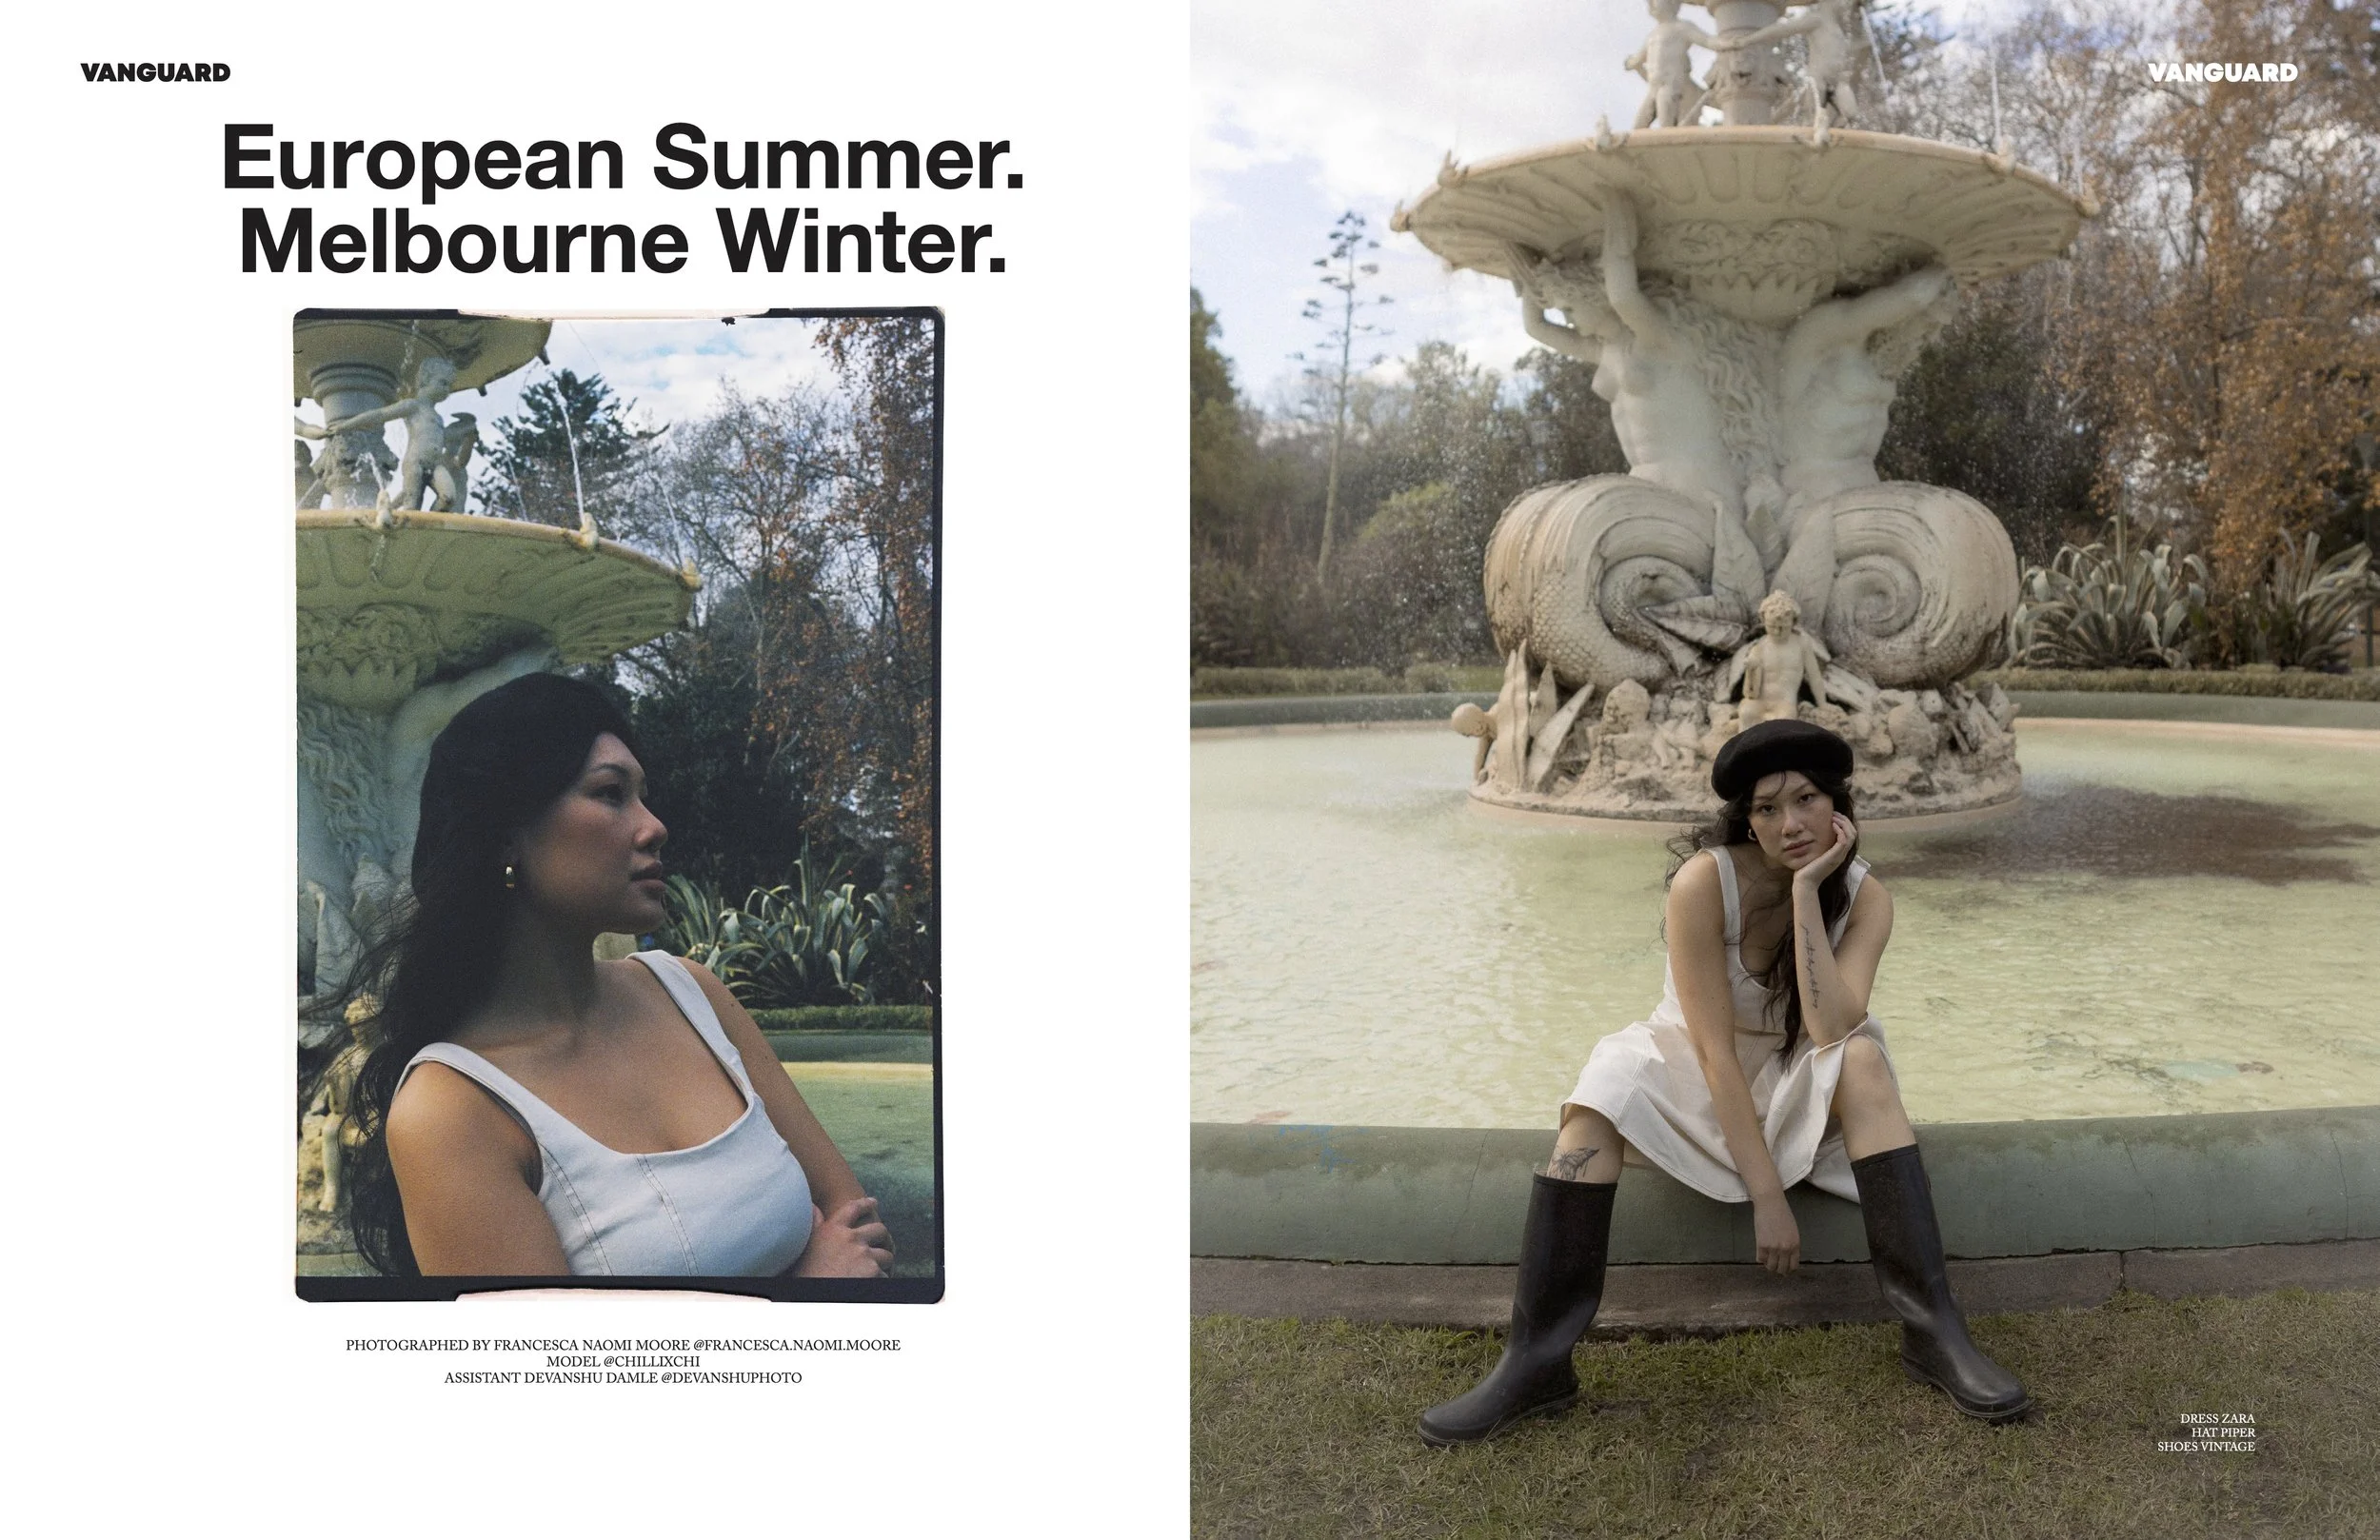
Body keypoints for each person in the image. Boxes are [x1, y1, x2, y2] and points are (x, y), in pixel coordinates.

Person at [1419, 719, 2028, 1445]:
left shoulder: (1867, 900)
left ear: (1838, 806)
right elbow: (1711, 1054)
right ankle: (1536, 1362)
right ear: (1746, 818)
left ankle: (1934, 1335)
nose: (1788, 823)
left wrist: (1808, 893)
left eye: (1804, 800)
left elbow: (1834, 1027)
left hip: (1796, 1074)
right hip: (1694, 1073)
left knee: (1863, 1059)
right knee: (1600, 1093)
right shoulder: (1704, 882)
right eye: (1766, 809)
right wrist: (1767, 1196)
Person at [337, 672, 893, 1278]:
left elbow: (855, 1218)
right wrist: (810, 1288)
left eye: (643, 795)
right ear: (504, 836)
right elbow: (545, 1371)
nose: (654, 825)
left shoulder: (689, 992)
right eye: (610, 793)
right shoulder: (450, 1110)